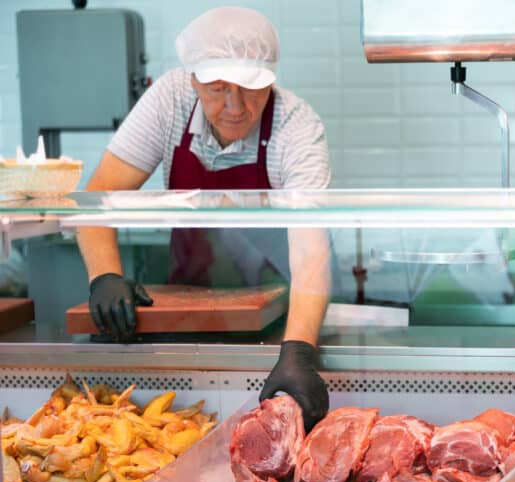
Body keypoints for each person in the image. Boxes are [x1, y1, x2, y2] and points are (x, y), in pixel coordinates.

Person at [77, 7, 332, 430]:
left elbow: (311, 250)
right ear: (193, 79)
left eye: (252, 89)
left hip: (277, 318)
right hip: (186, 308)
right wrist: (104, 275)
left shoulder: (296, 125)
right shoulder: (170, 100)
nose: (235, 107)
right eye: (216, 89)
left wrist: (298, 350)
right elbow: (99, 196)